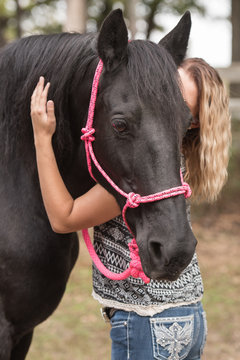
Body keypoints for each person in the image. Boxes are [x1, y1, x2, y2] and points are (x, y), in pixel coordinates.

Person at [31, 57, 231, 360]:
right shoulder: (172, 167)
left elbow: (64, 217)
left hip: (149, 321)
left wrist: (42, 137)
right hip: (190, 314)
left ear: (191, 122)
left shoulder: (142, 175)